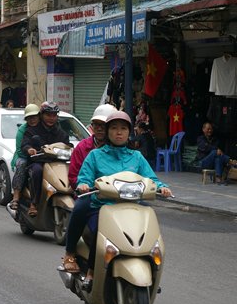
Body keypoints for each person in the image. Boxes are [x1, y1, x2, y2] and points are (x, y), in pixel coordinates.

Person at [62, 111, 172, 289]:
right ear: (107, 132)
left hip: (130, 207)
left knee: (150, 228)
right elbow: (84, 177)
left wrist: (161, 187)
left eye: (123, 128)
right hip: (102, 206)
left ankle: (151, 269)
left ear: (129, 132)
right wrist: (83, 184)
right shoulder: (95, 155)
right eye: (114, 128)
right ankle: (89, 269)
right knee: (100, 232)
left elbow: (151, 178)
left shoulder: (136, 157)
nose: (119, 132)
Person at [22, 101, 69, 216]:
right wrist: (29, 149)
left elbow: (67, 146)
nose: (51, 118)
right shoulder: (32, 130)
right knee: (37, 171)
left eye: (54, 115)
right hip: (38, 162)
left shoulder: (61, 133)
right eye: (48, 115)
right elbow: (25, 144)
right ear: (42, 115)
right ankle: (34, 203)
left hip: (56, 164)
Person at [68, 104, 118, 189]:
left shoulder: (123, 149)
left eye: (103, 125)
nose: (99, 128)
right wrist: (84, 186)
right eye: (96, 124)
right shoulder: (82, 147)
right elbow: (73, 176)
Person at [9, 104, 39, 210]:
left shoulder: (45, 127)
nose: (32, 120)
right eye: (29, 118)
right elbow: (20, 150)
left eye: (34, 117)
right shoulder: (22, 130)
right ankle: (16, 196)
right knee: (21, 164)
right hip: (24, 156)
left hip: (42, 156)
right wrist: (29, 151)